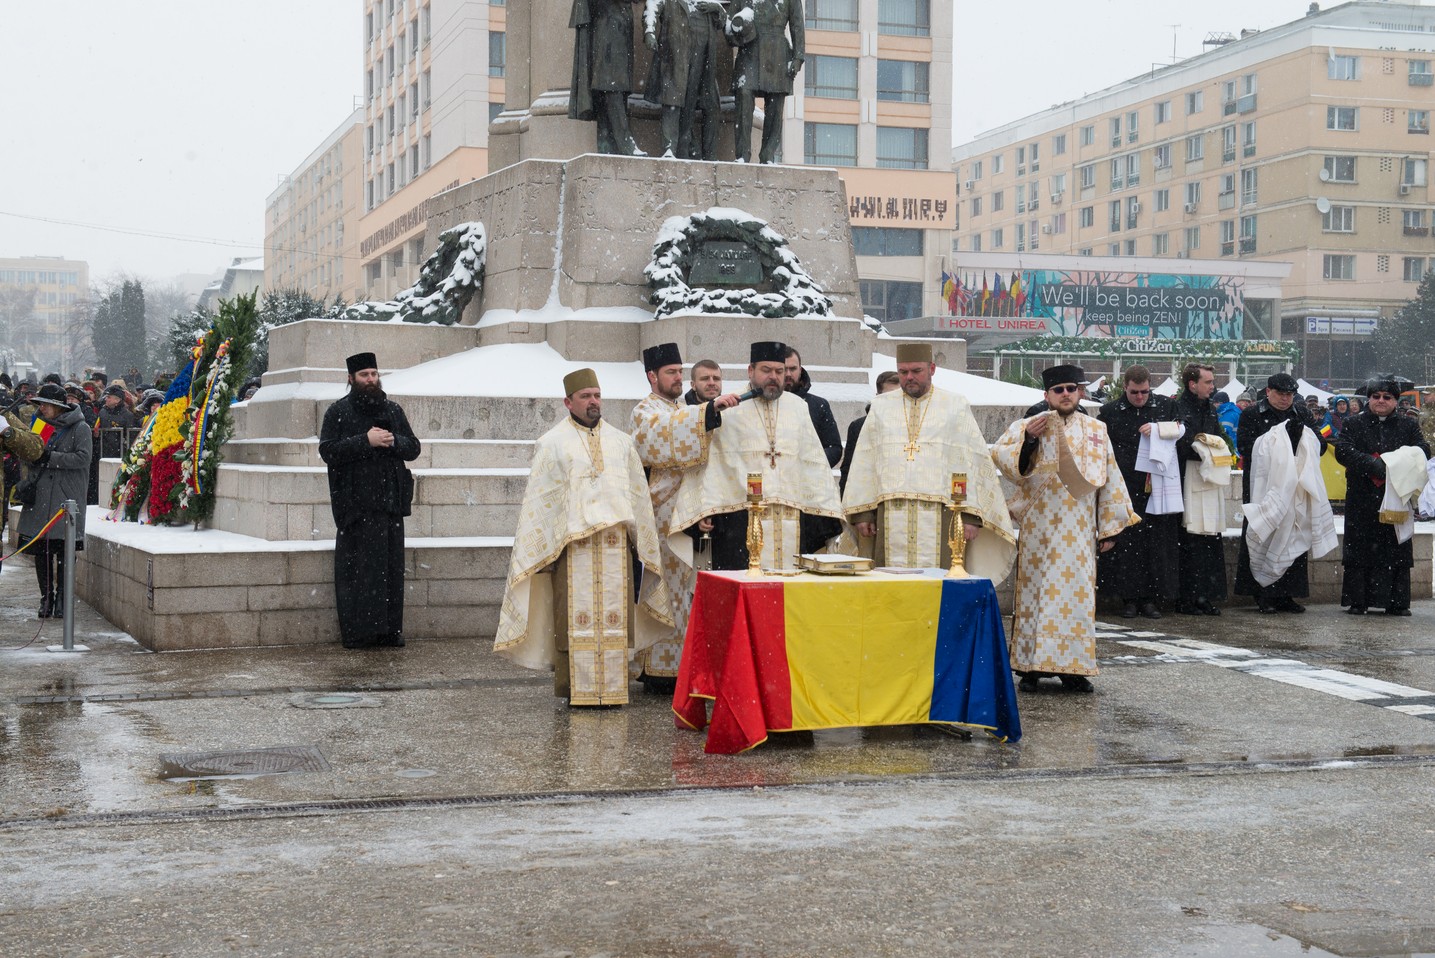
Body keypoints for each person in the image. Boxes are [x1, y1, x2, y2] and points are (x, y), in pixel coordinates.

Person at [496, 368, 674, 706]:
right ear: (568, 402)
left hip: (615, 548)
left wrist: (643, 544)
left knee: (615, 619)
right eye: (585, 396)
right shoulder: (551, 444)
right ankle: (576, 691)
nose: (593, 401)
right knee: (571, 622)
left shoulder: (622, 442)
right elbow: (542, 501)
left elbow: (637, 497)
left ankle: (613, 690)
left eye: (597, 395)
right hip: (572, 550)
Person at [993, 365, 1137, 694]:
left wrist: (1109, 529)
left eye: (1072, 388)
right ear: (1047, 395)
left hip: (1080, 528)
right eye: (1058, 390)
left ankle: (1074, 669)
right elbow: (1003, 460)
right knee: (1036, 598)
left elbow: (1110, 477)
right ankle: (1031, 667)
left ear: (1081, 392)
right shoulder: (1027, 426)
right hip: (1039, 529)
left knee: (1076, 600)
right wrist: (1029, 439)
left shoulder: (1097, 430)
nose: (1066, 394)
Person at [669, 341, 844, 571]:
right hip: (740, 523)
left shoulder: (799, 407)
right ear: (751, 370)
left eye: (779, 371)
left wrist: (825, 511)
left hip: (791, 520)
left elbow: (813, 463)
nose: (774, 377)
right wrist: (704, 508)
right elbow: (713, 464)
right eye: (766, 370)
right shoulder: (730, 405)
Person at [843, 344, 1015, 575]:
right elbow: (866, 461)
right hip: (890, 515)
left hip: (943, 514)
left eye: (916, 371)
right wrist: (863, 514)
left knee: (939, 583)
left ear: (932, 369)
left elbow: (969, 460)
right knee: (888, 583)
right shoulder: (880, 407)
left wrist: (971, 515)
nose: (909, 377)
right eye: (903, 372)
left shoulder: (954, 405)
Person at [628, 343, 738, 690]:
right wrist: (704, 414)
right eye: (671, 373)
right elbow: (655, 440)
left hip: (690, 516)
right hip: (661, 518)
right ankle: (658, 670)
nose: (678, 378)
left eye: (679, 371)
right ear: (652, 376)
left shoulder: (677, 408)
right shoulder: (645, 411)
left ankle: (685, 668)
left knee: (689, 593)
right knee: (665, 590)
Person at [318, 352, 421, 649]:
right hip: (356, 508)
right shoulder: (337, 412)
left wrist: (392, 441)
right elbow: (328, 451)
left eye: (374, 374)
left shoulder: (393, 409)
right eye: (364, 375)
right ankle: (359, 633)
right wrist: (366, 441)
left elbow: (412, 447)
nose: (371, 380)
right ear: (351, 379)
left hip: (389, 505)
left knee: (389, 572)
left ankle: (389, 631)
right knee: (358, 574)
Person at [1334, 375, 1430, 615]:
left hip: (1396, 496)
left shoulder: (1408, 425)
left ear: (1395, 401)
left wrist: (1391, 464)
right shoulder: (1354, 424)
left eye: (1387, 397)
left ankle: (1396, 602)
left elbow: (1422, 450)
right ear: (1369, 399)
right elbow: (1343, 451)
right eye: (1376, 396)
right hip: (1362, 497)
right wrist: (1371, 464)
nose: (1381, 401)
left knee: (1394, 550)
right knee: (1360, 550)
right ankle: (1358, 601)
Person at [1235, 372, 1328, 613]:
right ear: (1269, 392)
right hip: (1263, 486)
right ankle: (1263, 593)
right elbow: (1245, 446)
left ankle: (1288, 593)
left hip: (1295, 486)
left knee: (1293, 532)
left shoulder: (1302, 413)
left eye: (1290, 395)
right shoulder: (1252, 414)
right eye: (1281, 394)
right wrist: (1279, 438)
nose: (1286, 399)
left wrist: (1300, 438)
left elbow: (1321, 445)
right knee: (1264, 531)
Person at [1097, 366, 1182, 619]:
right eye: (1134, 392)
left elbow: (1181, 430)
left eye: (1144, 392)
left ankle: (1150, 599)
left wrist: (1157, 430)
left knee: (1155, 546)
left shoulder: (1165, 407)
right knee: (1126, 547)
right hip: (1124, 488)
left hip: (1155, 486)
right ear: (1125, 387)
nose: (1140, 397)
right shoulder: (1111, 412)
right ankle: (1129, 599)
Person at [15, 383, 92, 619]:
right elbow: (30, 454)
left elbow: (82, 458)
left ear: (58, 407)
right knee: (42, 553)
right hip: (40, 497)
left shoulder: (80, 427)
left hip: (64, 498)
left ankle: (62, 600)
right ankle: (46, 597)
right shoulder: (39, 425)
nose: (42, 408)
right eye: (40, 404)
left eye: (46, 404)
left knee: (64, 553)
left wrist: (50, 457)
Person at [1173, 362, 1229, 616]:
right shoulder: (1178, 407)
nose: (1212, 386)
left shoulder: (1210, 408)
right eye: (1208, 382)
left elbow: (1216, 437)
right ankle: (1187, 597)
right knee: (1189, 539)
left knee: (1209, 540)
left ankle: (1204, 594)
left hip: (1208, 476)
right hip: (1187, 477)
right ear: (1192, 384)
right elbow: (1182, 443)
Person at [644, 0, 728, 159]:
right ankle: (669, 148)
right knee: (672, 103)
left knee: (689, 105)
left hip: (701, 59)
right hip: (675, 57)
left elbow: (722, 24)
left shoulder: (709, 2)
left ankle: (684, 149)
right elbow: (653, 8)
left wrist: (717, 9)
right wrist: (649, 31)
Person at [727, 0, 804, 163]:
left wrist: (798, 57)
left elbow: (797, 25)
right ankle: (742, 154)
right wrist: (736, 31)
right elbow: (729, 22)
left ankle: (768, 155)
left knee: (776, 106)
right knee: (744, 95)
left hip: (777, 54)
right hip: (749, 51)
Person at [569, 0, 646, 156]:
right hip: (607, 31)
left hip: (618, 29)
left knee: (610, 91)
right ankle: (625, 143)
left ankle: (607, 146)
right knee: (612, 87)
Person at [837, 370, 899, 495]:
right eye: (887, 396)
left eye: (898, 396)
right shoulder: (859, 427)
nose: (893, 401)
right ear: (877, 396)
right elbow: (848, 470)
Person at [783, 346, 841, 467]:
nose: (788, 374)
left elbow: (834, 448)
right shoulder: (761, 403)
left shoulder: (819, 405)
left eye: (793, 369)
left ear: (800, 370)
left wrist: (811, 465)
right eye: (783, 369)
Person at [96, 384, 137, 461]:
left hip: (119, 453)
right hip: (102, 452)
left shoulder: (127, 415)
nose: (106, 399)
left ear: (117, 400)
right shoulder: (102, 412)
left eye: (109, 397)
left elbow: (130, 437)